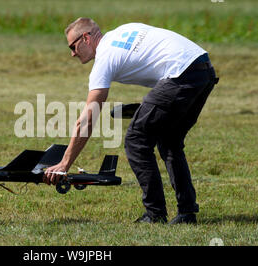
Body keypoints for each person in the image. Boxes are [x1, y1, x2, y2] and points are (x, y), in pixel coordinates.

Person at [43, 18, 219, 224]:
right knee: (169, 142)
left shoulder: (104, 58)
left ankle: (155, 215)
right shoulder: (123, 31)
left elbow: (88, 118)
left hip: (180, 73)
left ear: (86, 38)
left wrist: (65, 163)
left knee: (136, 140)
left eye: (73, 46)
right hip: (202, 69)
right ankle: (187, 213)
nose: (72, 53)